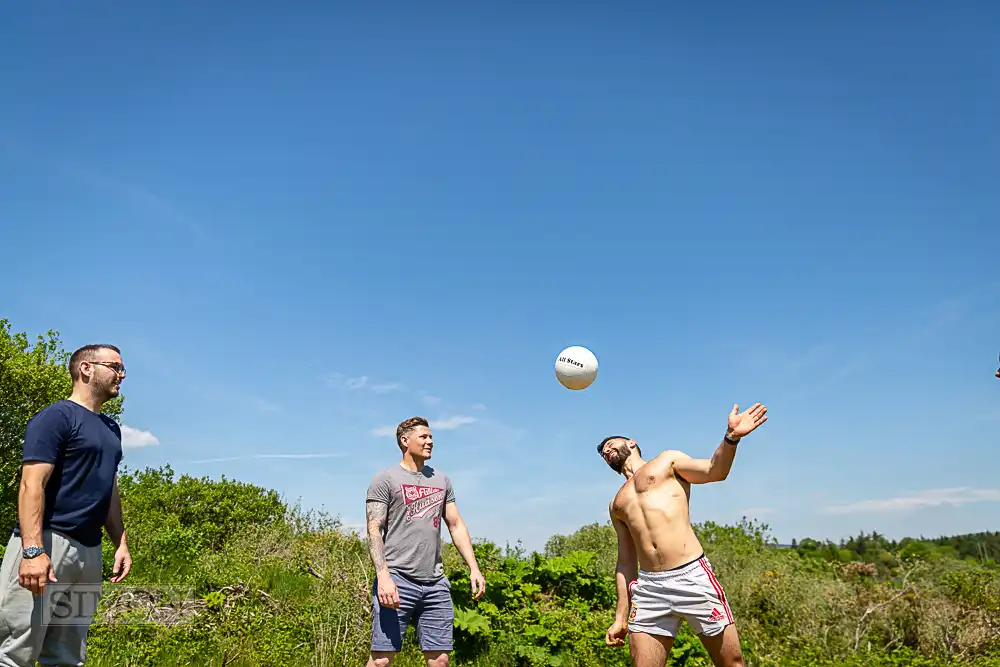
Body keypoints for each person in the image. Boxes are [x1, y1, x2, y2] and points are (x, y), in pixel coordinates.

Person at [599, 402, 769, 667]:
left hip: (691, 575)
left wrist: (731, 437)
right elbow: (625, 563)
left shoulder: (667, 461)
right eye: (602, 452)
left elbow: (715, 470)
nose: (605, 449)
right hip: (650, 587)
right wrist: (620, 617)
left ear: (632, 443)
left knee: (731, 663)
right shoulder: (616, 503)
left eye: (611, 443)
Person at [0, 344, 133, 667]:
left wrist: (121, 542)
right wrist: (33, 551)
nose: (122, 374)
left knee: (66, 655)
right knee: (16, 650)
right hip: (48, 544)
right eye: (114, 367)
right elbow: (32, 484)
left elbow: (109, 489)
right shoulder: (56, 417)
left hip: (88, 552)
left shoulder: (110, 429)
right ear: (86, 369)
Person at [365, 416, 486, 667]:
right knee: (382, 661)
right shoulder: (385, 479)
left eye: (431, 437)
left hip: (435, 584)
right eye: (424, 437)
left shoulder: (441, 480)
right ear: (404, 441)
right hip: (397, 579)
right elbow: (374, 529)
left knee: (440, 660)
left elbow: (455, 525)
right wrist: (383, 575)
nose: (430, 441)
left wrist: (474, 567)